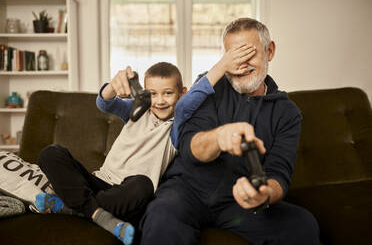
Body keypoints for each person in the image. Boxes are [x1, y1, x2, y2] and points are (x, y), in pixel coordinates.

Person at [34, 47, 255, 244]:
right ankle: (91, 211)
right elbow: (105, 103)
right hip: (98, 181)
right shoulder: (137, 110)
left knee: (143, 185)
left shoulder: (179, 125)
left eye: (168, 93)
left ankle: (73, 207)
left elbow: (197, 94)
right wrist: (113, 86)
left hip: (129, 195)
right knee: (51, 153)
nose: (159, 101)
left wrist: (223, 65)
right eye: (152, 94)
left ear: (182, 93)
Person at [140, 18, 320, 245]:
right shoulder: (209, 86)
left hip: (238, 202)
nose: (241, 64)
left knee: (302, 224)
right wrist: (219, 137)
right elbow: (188, 146)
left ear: (270, 51)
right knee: (162, 215)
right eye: (234, 55)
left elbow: (279, 175)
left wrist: (264, 193)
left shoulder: (287, 112)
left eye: (249, 53)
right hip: (186, 191)